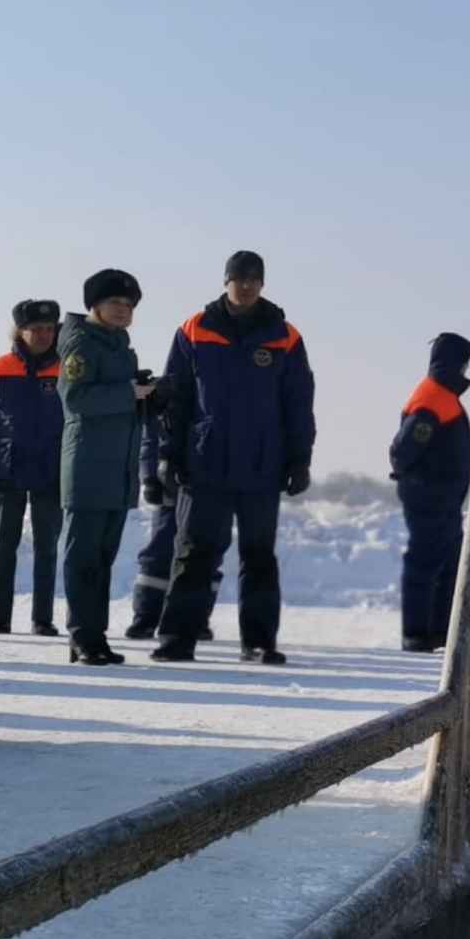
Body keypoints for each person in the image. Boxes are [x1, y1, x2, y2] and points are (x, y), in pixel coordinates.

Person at [152, 251, 316, 665]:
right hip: (204, 462)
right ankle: (176, 639)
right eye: (239, 277)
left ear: (262, 283)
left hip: (263, 465)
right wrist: (168, 453)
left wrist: (300, 458)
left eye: (254, 278)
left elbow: (299, 402)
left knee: (258, 557)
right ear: (226, 280)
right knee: (193, 553)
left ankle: (258, 642)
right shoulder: (194, 330)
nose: (246, 285)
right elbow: (176, 397)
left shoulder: (285, 336)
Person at [59, 270, 159, 666]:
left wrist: (146, 396)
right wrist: (127, 393)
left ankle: (94, 636)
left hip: (116, 468)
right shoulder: (82, 345)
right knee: (82, 558)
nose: (123, 310)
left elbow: (119, 402)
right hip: (88, 466)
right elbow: (76, 398)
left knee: (101, 558)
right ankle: (82, 635)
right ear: (95, 305)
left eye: (129, 305)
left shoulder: (120, 346)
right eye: (116, 303)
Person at [0, 299, 65, 637]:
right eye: (36, 329)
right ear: (20, 331)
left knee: (46, 548)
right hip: (6, 473)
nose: (43, 335)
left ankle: (42, 618)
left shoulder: (67, 370)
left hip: (52, 475)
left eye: (49, 329)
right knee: (3, 547)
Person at [390, 333, 470, 652]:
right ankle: (416, 633)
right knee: (424, 564)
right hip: (429, 498)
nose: (466, 370)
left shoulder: (443, 396)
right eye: (464, 363)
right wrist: (420, 480)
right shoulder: (433, 399)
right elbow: (403, 450)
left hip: (444, 499)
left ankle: (439, 629)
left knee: (450, 563)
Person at [124, 417, 221, 641]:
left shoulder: (222, 386)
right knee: (159, 552)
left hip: (210, 485)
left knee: (206, 554)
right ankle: (145, 617)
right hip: (170, 486)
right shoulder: (169, 386)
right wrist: (149, 477)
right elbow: (151, 437)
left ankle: (198, 618)